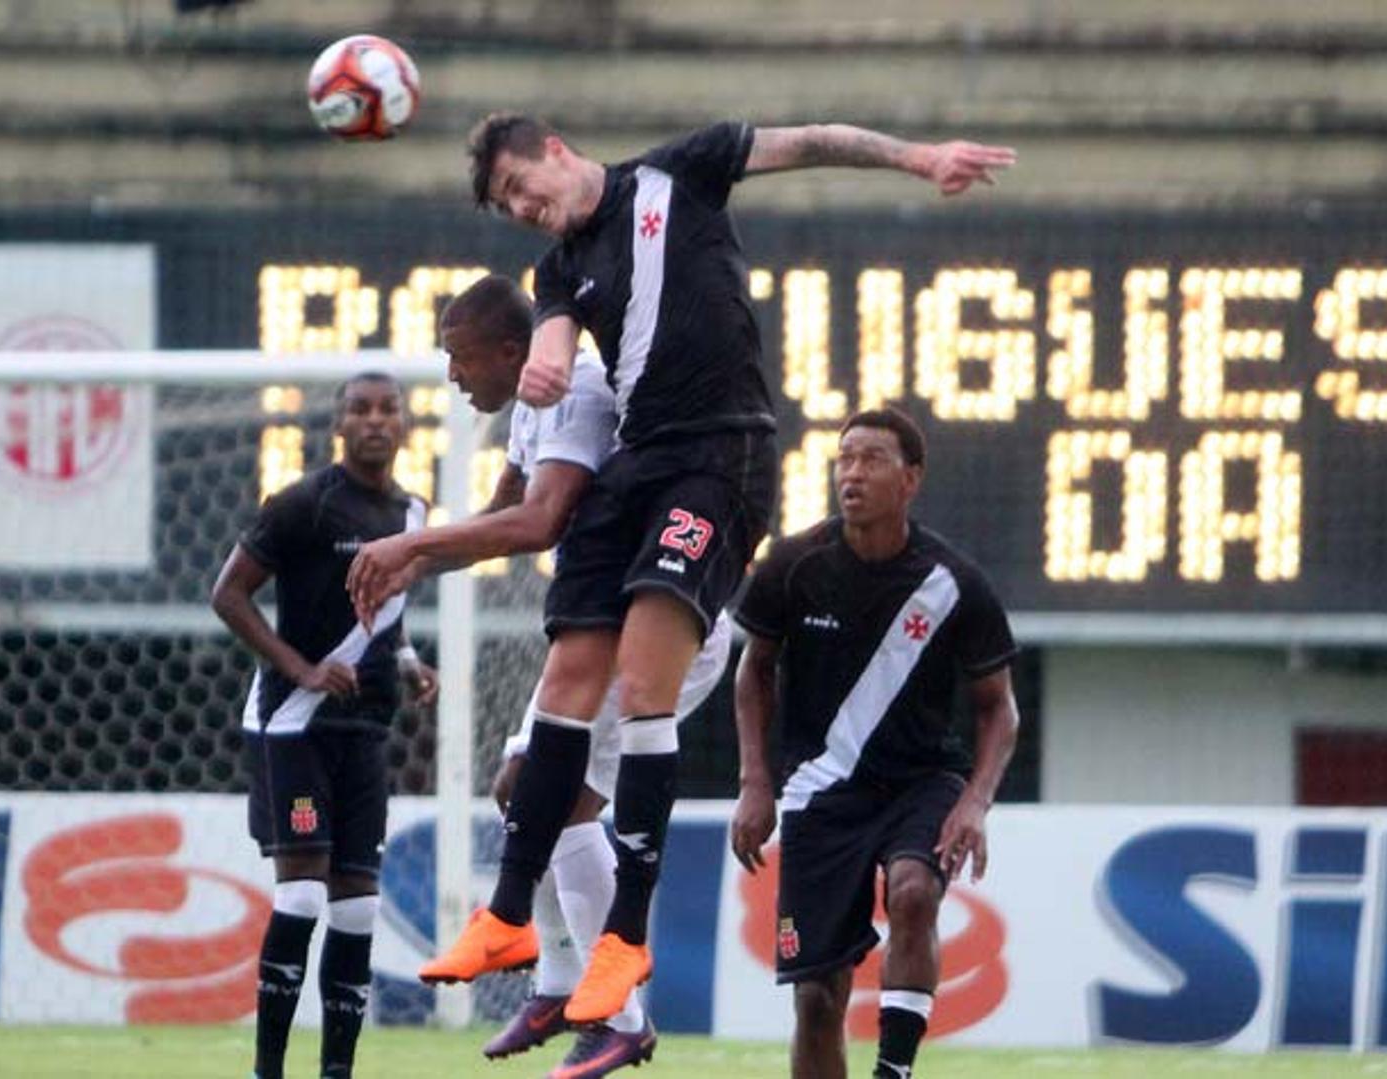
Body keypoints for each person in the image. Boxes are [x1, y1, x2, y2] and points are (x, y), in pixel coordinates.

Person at [419, 112, 1018, 1025]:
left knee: (641, 679)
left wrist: (918, 156)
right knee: (566, 682)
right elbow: (552, 334)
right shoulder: (557, 269)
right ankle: (506, 914)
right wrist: (546, 354)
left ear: (552, 151)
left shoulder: (675, 174)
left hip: (718, 454)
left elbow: (810, 140)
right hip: (639, 463)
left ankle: (621, 941)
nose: (522, 210)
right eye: (506, 207)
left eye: (517, 189)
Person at [347, 275, 732, 1077]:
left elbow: (539, 519)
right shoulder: (529, 407)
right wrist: (414, 563)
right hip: (613, 618)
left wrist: (411, 549)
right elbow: (502, 511)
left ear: (515, 351)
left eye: (460, 356)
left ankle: (620, 1016)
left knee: (554, 793)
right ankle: (561, 980)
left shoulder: (576, 391)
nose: (452, 375)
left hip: (666, 615)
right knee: (523, 786)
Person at [728, 407, 1021, 1079]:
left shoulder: (954, 583)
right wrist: (754, 779)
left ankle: (894, 1071)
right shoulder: (794, 566)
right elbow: (753, 670)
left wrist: (974, 802)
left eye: (871, 460)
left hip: (923, 782)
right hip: (820, 791)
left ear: (911, 478)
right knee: (817, 1000)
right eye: (845, 459)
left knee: (915, 893)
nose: (851, 473)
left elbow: (998, 709)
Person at [210, 373, 439, 1079]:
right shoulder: (303, 504)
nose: (375, 420)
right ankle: (268, 1068)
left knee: (360, 908)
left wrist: (406, 660)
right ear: (338, 425)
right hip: (293, 724)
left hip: (364, 729)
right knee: (303, 892)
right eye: (360, 409)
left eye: (388, 409)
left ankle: (336, 1070)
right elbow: (229, 594)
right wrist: (301, 668)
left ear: (404, 424)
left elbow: (380, 617)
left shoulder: (413, 513)